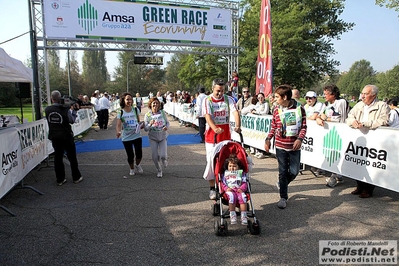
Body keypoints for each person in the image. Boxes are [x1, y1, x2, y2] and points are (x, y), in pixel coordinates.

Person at [264, 85, 307, 209]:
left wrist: (299, 139)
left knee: (294, 171)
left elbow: (304, 127)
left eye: (277, 97)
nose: (275, 99)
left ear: (285, 97)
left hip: (294, 147)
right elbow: (273, 126)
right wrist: (268, 139)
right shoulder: (276, 109)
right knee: (282, 172)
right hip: (280, 146)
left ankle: (282, 184)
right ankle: (283, 196)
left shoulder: (300, 109)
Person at [346, 85, 390, 198]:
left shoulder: (382, 106)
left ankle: (368, 189)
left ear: (373, 95)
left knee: (371, 164)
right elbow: (349, 116)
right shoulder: (359, 104)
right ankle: (359, 186)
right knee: (357, 162)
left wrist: (365, 124)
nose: (363, 96)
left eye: (366, 94)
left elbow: (383, 121)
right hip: (360, 139)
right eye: (362, 93)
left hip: (374, 140)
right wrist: (353, 122)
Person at [203, 78, 241, 200]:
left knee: (226, 162)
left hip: (225, 137)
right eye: (218, 91)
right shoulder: (207, 100)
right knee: (211, 162)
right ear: (213, 88)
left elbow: (235, 112)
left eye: (222, 90)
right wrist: (214, 128)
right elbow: (207, 117)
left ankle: (227, 185)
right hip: (211, 138)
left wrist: (238, 125)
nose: (220, 93)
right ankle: (212, 188)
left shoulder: (228, 99)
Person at [45, 90, 83, 186]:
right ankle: (76, 177)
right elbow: (72, 120)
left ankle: (60, 179)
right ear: (60, 98)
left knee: (58, 158)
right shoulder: (65, 110)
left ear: (51, 98)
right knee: (72, 157)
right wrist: (74, 111)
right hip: (66, 136)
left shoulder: (47, 109)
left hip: (54, 136)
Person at [316, 84, 349, 187]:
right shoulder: (326, 104)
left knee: (338, 154)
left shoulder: (341, 102)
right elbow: (320, 115)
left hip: (340, 133)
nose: (324, 96)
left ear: (333, 94)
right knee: (331, 154)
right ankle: (338, 175)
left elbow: (340, 118)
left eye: (326, 94)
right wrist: (319, 118)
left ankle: (334, 177)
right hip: (329, 133)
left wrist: (325, 118)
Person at [116, 92, 144, 177]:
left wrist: (141, 125)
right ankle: (132, 168)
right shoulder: (120, 112)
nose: (129, 101)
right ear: (123, 100)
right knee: (130, 155)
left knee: (139, 154)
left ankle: (137, 165)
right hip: (126, 137)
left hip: (137, 135)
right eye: (127, 99)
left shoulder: (135, 110)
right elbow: (118, 125)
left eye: (131, 99)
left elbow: (139, 121)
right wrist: (118, 131)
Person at [144, 97, 170, 177]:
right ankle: (159, 170)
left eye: (157, 103)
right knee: (155, 157)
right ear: (150, 105)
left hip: (162, 136)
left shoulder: (162, 113)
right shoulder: (147, 115)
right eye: (153, 103)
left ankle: (164, 160)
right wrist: (150, 124)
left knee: (163, 155)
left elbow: (167, 123)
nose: (155, 105)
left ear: (159, 104)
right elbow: (145, 129)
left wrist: (166, 127)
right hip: (153, 137)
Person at [221, 154, 248, 225]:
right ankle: (232, 214)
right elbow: (223, 183)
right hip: (230, 190)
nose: (232, 168)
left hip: (239, 189)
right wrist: (226, 188)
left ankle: (244, 215)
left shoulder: (241, 173)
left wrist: (242, 188)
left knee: (243, 197)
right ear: (227, 166)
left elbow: (244, 183)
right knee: (232, 197)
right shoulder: (225, 174)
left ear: (238, 167)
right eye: (230, 166)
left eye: (234, 166)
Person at [304, 90, 325, 175]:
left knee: (319, 148)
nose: (308, 100)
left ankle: (320, 168)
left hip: (320, 130)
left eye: (310, 98)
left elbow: (314, 116)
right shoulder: (306, 106)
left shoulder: (319, 104)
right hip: (310, 131)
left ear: (315, 98)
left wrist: (307, 118)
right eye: (307, 98)